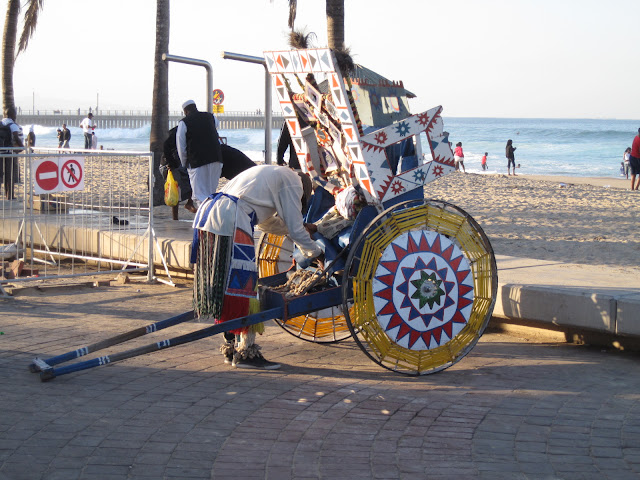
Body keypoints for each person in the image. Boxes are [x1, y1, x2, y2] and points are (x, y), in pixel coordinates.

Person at [191, 164, 322, 369]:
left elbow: (266, 223)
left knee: (224, 285)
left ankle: (231, 346)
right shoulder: (293, 183)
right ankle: (247, 353)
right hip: (231, 217)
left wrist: (300, 230)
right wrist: (315, 253)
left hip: (209, 213)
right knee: (245, 286)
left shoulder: (273, 173)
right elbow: (295, 227)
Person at [176, 100, 224, 209]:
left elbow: (181, 146)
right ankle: (211, 215)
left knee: (200, 196)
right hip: (216, 159)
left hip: (197, 162)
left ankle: (203, 218)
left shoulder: (184, 122)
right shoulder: (210, 117)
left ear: (185, 111)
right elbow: (217, 125)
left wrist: (184, 162)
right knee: (211, 193)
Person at [1, 106, 24, 200]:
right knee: (9, 174)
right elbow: (16, 137)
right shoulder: (12, 124)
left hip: (0, 151)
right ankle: (10, 196)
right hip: (8, 152)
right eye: (15, 113)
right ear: (12, 114)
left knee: (0, 174)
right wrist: (22, 147)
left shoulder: (2, 122)